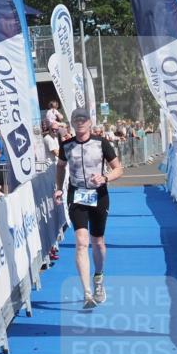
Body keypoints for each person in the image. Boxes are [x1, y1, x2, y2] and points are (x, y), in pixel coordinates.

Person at [53, 107, 124, 310]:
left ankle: (99, 277)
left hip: (99, 196)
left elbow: (119, 169)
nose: (80, 122)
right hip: (76, 196)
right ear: (72, 123)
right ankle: (86, 293)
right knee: (81, 242)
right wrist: (59, 188)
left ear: (90, 122)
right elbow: (60, 166)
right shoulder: (66, 145)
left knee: (98, 242)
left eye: (84, 118)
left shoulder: (101, 143)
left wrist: (105, 178)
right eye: (76, 119)